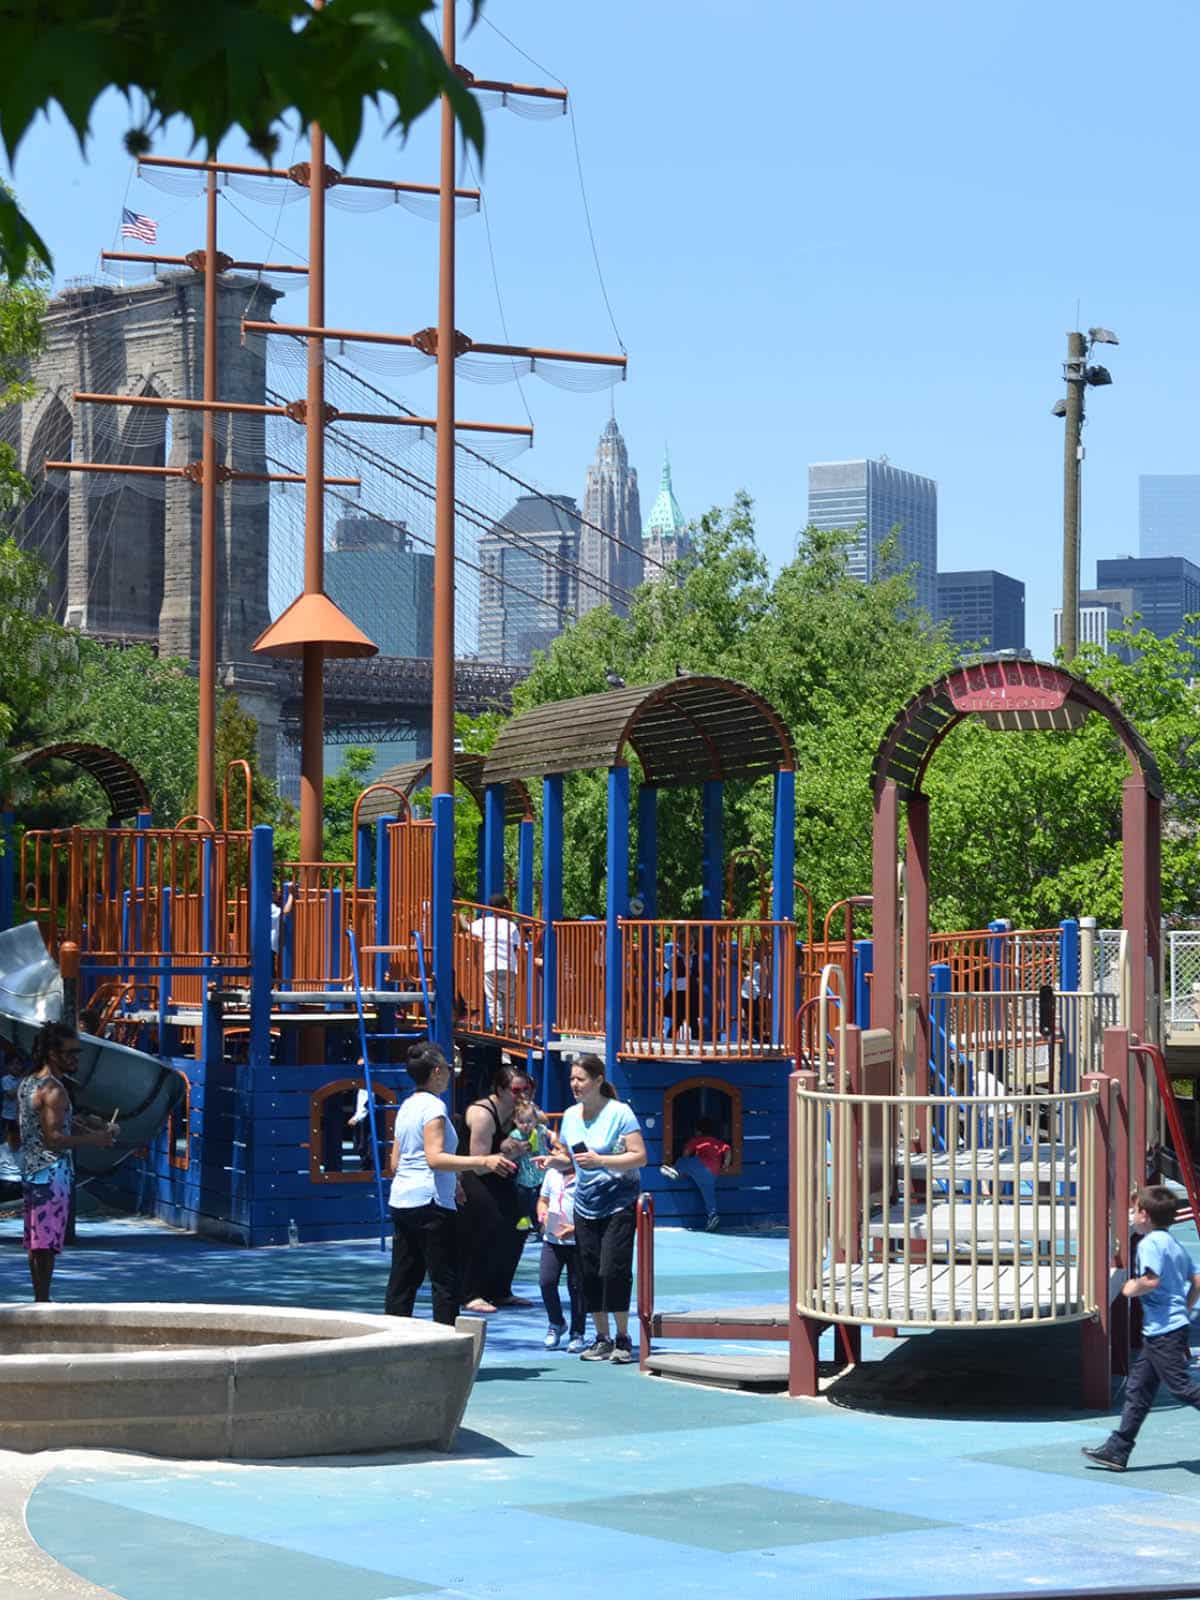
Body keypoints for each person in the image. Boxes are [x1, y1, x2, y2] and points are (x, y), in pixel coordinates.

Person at [385, 1042, 515, 1325]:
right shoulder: (434, 1107)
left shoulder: (407, 1106)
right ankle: (446, 1346)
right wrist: (483, 1161)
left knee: (403, 1279)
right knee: (445, 1281)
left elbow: (396, 1164)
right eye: (447, 1067)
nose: (450, 1072)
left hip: (402, 1200)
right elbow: (434, 1158)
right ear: (436, 1073)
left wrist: (453, 1180)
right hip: (430, 1205)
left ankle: (391, 1342)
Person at [1082, 1185, 1200, 1471]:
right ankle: (1117, 1450)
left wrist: (1128, 1288)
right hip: (1161, 1330)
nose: (1132, 1216)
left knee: (1181, 1388)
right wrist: (1184, 1308)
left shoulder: (1149, 1244)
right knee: (1138, 1391)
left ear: (1145, 1215)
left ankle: (1117, 1448)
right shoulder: (1173, 1244)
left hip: (1163, 1332)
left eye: (1135, 1211)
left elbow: (1150, 1280)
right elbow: (1196, 1281)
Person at [18, 1022, 117, 1301]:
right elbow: (55, 1138)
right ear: (52, 1053)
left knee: (37, 1240)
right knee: (46, 1242)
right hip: (51, 1173)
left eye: (78, 1052)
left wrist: (84, 1123)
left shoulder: (29, 1083)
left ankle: (41, 1296)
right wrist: (96, 1140)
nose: (75, 1058)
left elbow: (44, 1124)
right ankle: (43, 1300)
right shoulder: (54, 1089)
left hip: (32, 1169)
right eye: (70, 1052)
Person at [559, 1053, 647, 1364]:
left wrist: (602, 1160)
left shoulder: (620, 1113)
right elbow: (570, 1158)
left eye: (580, 1079)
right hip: (585, 1203)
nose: (574, 1084)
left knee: (614, 1269)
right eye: (572, 1079)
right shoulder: (570, 1116)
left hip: (619, 1201)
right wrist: (557, 1161)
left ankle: (623, 1336)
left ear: (597, 1081)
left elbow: (639, 1156)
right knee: (589, 1272)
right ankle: (602, 1337)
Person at [458, 1063, 532, 1312]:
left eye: (527, 1089)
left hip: (501, 1174)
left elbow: (538, 1127)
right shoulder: (483, 1114)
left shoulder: (518, 1111)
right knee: (488, 1222)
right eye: (517, 1090)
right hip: (471, 1174)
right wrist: (512, 1152)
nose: (523, 1095)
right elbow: (479, 1164)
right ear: (500, 1090)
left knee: (520, 1225)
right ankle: (470, 1292)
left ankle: (500, 1290)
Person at [538, 1162, 586, 1353]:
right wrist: (543, 1215)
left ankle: (577, 1332)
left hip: (578, 1240)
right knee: (546, 1282)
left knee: (577, 1288)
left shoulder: (585, 1174)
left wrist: (575, 1229)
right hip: (551, 1239)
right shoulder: (551, 1174)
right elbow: (543, 1200)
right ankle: (556, 1322)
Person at [661, 1115, 732, 1231]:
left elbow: (686, 1153)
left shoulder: (697, 1140)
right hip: (713, 1172)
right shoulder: (717, 1142)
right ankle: (712, 1215)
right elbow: (727, 1150)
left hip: (701, 1165)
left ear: (698, 1131)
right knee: (708, 1195)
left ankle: (675, 1171)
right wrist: (726, 1164)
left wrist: (684, 1163)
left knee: (683, 1161)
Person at [469, 893, 520, 1034]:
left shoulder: (484, 922)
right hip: (509, 965)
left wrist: (460, 917)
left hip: (491, 964)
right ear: (504, 907)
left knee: (493, 996)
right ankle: (509, 1024)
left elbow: (468, 928)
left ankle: (497, 1024)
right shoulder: (511, 925)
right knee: (509, 995)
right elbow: (516, 945)